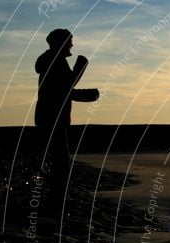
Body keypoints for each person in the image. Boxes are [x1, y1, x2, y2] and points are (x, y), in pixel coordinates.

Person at [34, 28, 99, 205]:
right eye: (70, 41)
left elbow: (61, 90)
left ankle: (57, 197)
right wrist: (80, 67)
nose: (72, 44)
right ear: (60, 43)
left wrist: (87, 94)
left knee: (59, 159)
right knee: (60, 160)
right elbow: (63, 89)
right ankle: (57, 199)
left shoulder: (52, 60)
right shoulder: (55, 61)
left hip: (51, 116)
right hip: (53, 117)